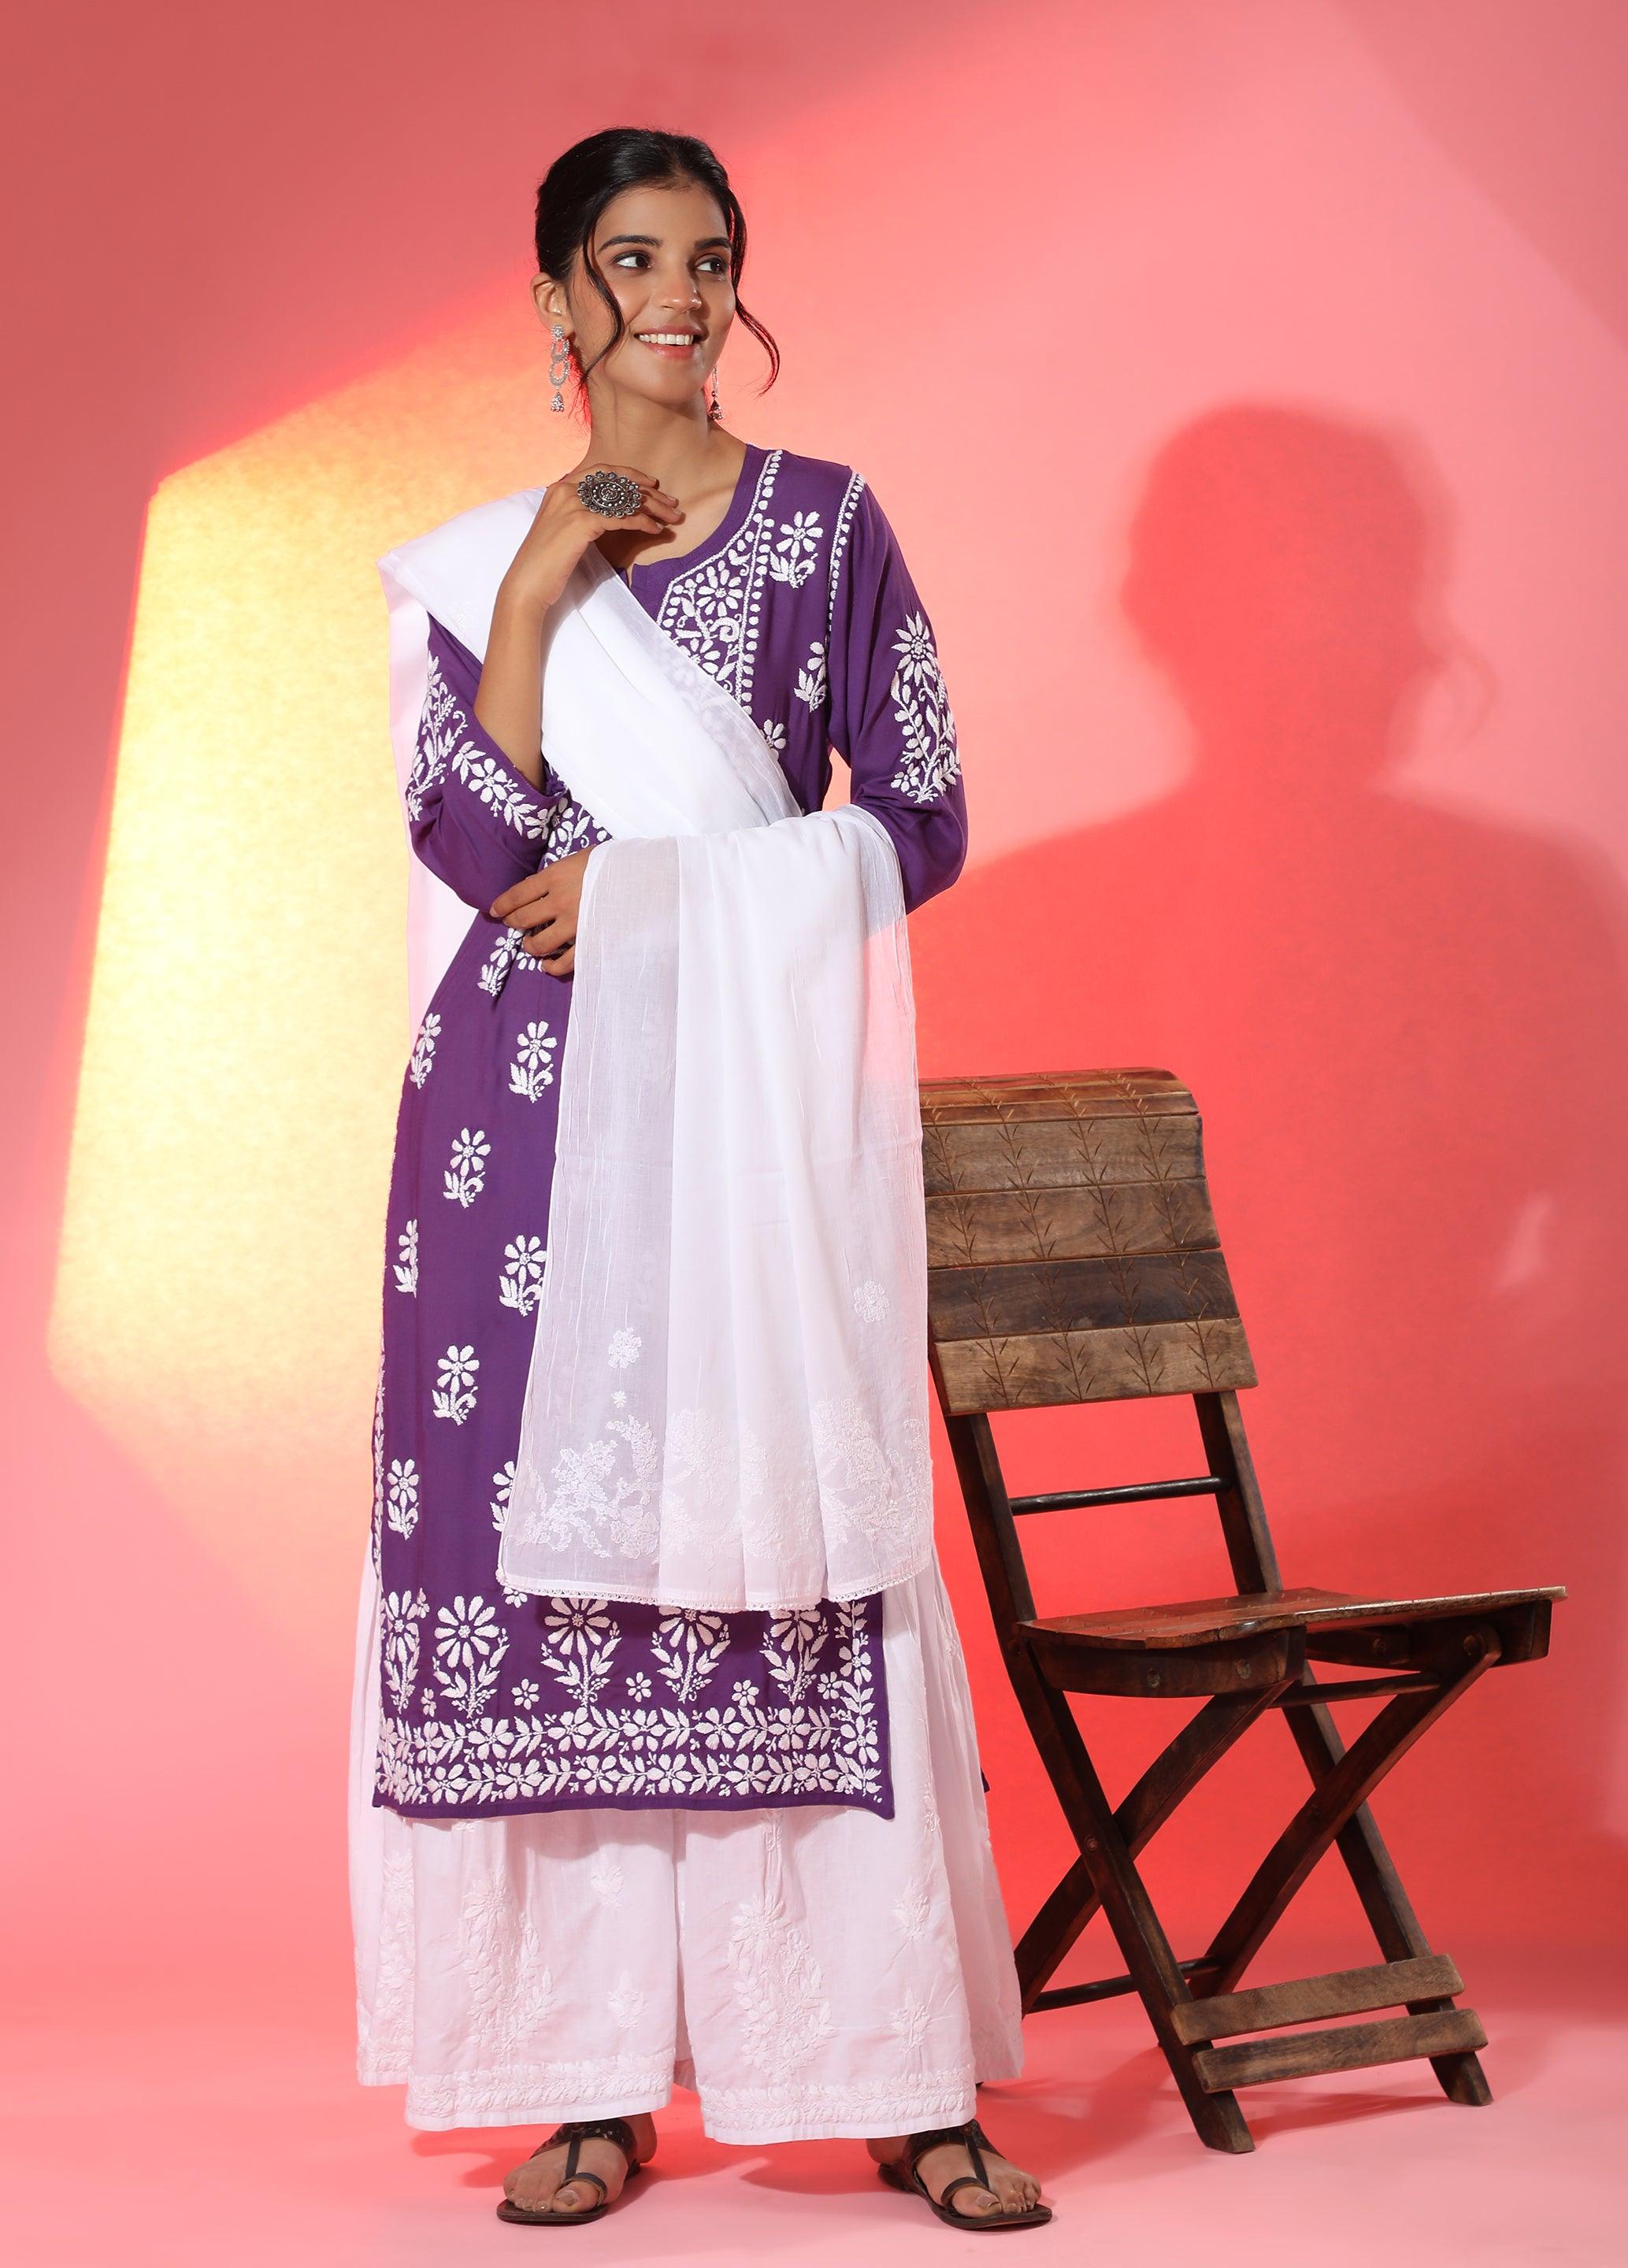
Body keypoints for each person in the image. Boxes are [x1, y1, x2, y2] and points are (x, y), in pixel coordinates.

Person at [349, 124, 1050, 2232]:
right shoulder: (481, 564)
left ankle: (888, 2071)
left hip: (746, 1125)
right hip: (523, 1135)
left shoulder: (831, 527)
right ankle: (580, 2080)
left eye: (710, 258)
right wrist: (539, 595)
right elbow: (470, 835)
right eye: (632, 257)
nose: (676, 293)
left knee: (790, 1547)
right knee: (550, 1582)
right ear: (556, 297)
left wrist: (665, 902)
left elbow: (918, 815)